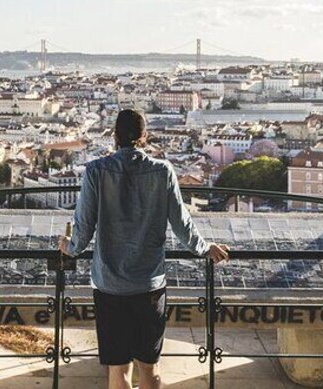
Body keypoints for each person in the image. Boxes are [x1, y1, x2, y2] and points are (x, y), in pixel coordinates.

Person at [58, 109, 229, 389]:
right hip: (149, 285)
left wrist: (70, 247)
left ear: (114, 136)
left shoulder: (95, 171)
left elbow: (84, 226)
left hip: (110, 285)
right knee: (150, 371)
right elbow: (181, 223)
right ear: (144, 137)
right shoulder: (162, 171)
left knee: (118, 373)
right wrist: (204, 248)